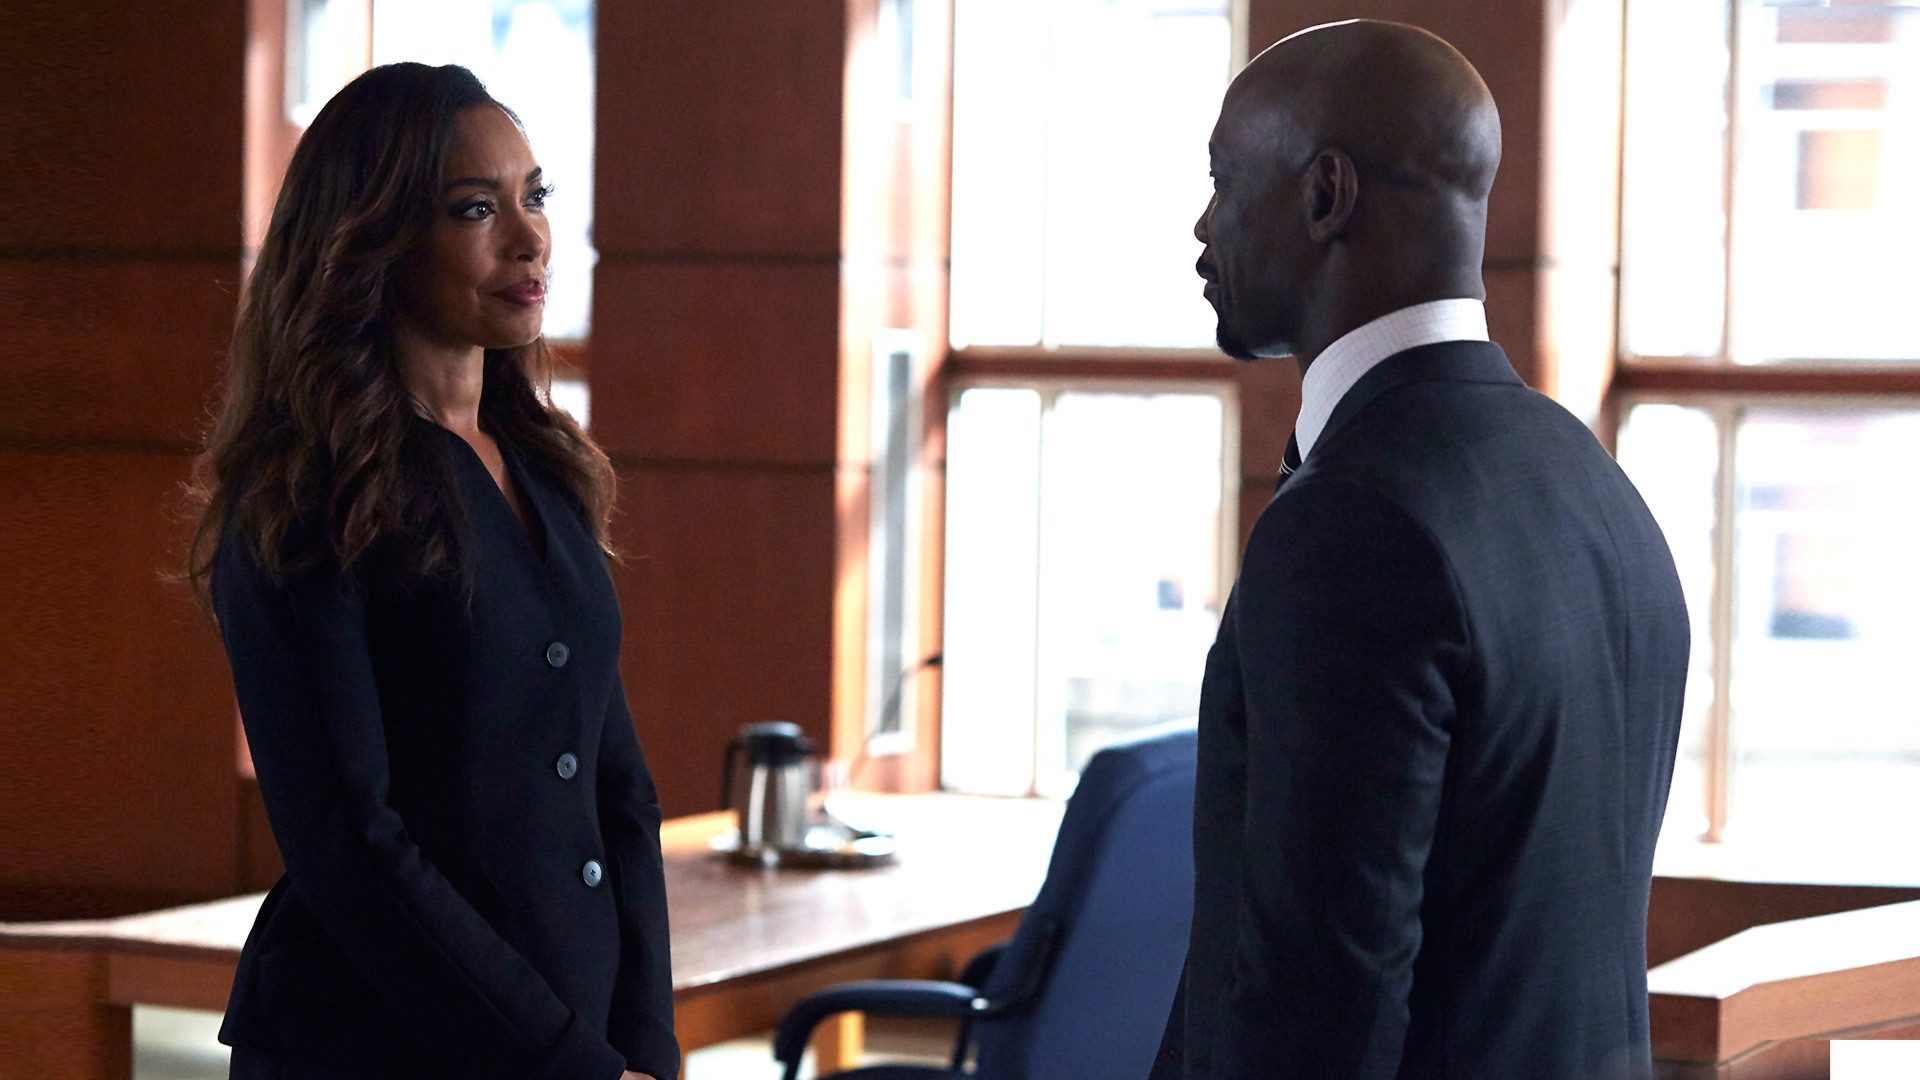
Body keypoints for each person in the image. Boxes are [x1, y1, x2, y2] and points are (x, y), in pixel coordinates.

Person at [1154, 20, 1689, 1080]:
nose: (1203, 225)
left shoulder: (1353, 525)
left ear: (1326, 196)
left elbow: (1319, 1009)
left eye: (1224, 179)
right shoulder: (1592, 484)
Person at [186, 63, 676, 1080]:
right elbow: (351, 844)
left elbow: (618, 788)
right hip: (374, 1046)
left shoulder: (546, 466)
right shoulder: (303, 497)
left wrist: (646, 1044)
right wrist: (567, 1065)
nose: (530, 238)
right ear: (374, 240)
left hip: (580, 1033)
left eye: (535, 195)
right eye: (474, 209)